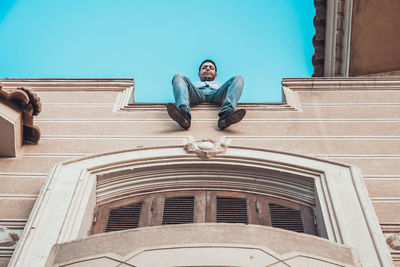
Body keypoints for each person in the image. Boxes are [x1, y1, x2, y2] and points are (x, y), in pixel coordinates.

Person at [167, 59, 246, 130]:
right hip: (197, 94)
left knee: (238, 78)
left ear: (215, 75)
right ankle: (184, 114)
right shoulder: (192, 84)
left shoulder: (221, 85)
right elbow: (183, 89)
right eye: (204, 68)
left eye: (211, 68)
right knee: (178, 76)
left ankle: (226, 115)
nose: (208, 69)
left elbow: (232, 91)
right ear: (199, 74)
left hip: (216, 94)